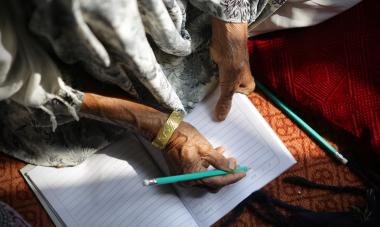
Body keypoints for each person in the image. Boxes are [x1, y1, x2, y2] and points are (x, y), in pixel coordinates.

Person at [0, 0, 361, 192]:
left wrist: (231, 24)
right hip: (53, 55)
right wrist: (164, 130)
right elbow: (25, 81)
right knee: (53, 136)